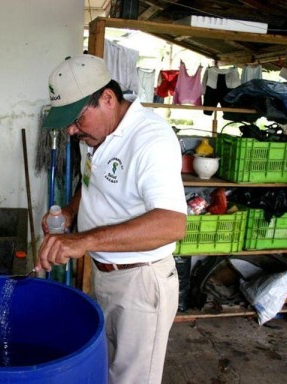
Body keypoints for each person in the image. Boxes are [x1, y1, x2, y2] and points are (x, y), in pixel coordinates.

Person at [37, 54, 188, 384]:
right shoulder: (92, 137)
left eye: (76, 120)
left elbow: (173, 224)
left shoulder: (151, 140)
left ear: (107, 98)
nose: (72, 131)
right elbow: (92, 183)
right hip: (106, 274)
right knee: (107, 370)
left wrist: (84, 240)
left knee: (132, 379)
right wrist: (71, 211)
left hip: (140, 281)